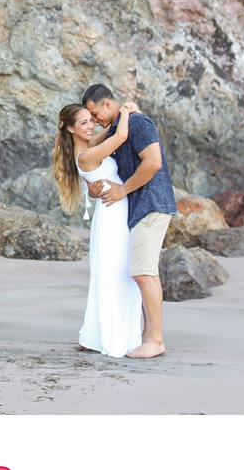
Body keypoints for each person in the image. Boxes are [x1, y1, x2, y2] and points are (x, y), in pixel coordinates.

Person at [82, 83, 177, 359]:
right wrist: (120, 116)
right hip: (137, 209)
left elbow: (153, 162)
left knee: (143, 272)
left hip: (152, 204)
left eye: (95, 113)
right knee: (143, 271)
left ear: (108, 104)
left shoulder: (138, 123)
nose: (94, 120)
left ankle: (156, 339)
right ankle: (148, 335)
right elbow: (87, 146)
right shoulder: (117, 128)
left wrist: (123, 190)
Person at [51, 101, 142, 358]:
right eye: (83, 122)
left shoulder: (88, 148)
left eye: (91, 120)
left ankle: (103, 334)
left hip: (113, 209)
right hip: (112, 213)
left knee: (117, 271)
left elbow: (112, 132)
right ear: (70, 129)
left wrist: (118, 116)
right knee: (116, 272)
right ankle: (114, 336)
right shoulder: (87, 155)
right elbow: (121, 135)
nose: (90, 125)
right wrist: (126, 110)